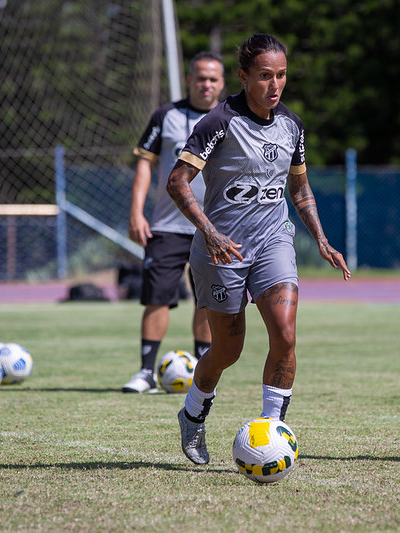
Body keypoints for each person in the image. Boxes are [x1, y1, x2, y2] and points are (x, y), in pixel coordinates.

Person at [166, 33, 351, 464]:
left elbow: (300, 187)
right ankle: (193, 413)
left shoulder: (292, 125)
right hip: (221, 250)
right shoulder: (218, 122)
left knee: (285, 334)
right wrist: (209, 232)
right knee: (228, 350)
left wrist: (321, 239)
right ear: (244, 76)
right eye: (265, 76)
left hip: (274, 240)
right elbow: (177, 181)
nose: (275, 85)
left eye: (282, 75)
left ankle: (271, 430)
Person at [122, 52, 225, 394]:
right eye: (200, 78)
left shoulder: (232, 118)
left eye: (213, 79)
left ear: (222, 83)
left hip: (213, 226)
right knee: (157, 297)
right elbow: (144, 167)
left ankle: (204, 374)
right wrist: (137, 212)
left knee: (207, 301)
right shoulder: (165, 116)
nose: (206, 84)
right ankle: (146, 373)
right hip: (166, 225)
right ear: (190, 79)